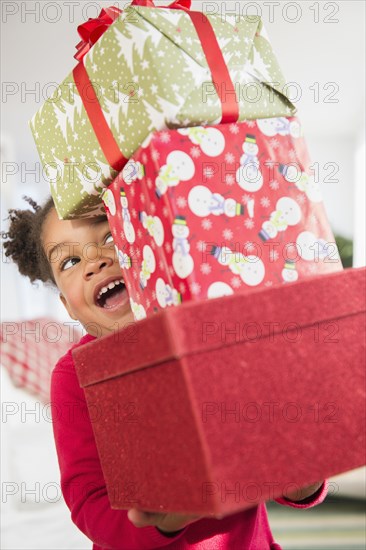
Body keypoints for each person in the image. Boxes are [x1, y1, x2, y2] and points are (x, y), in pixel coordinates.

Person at [3, 195, 328, 550]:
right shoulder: (73, 376)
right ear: (66, 306)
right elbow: (88, 503)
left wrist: (302, 476)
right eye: (70, 261)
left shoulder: (207, 336)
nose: (94, 262)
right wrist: (171, 518)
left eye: (110, 238)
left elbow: (278, 455)